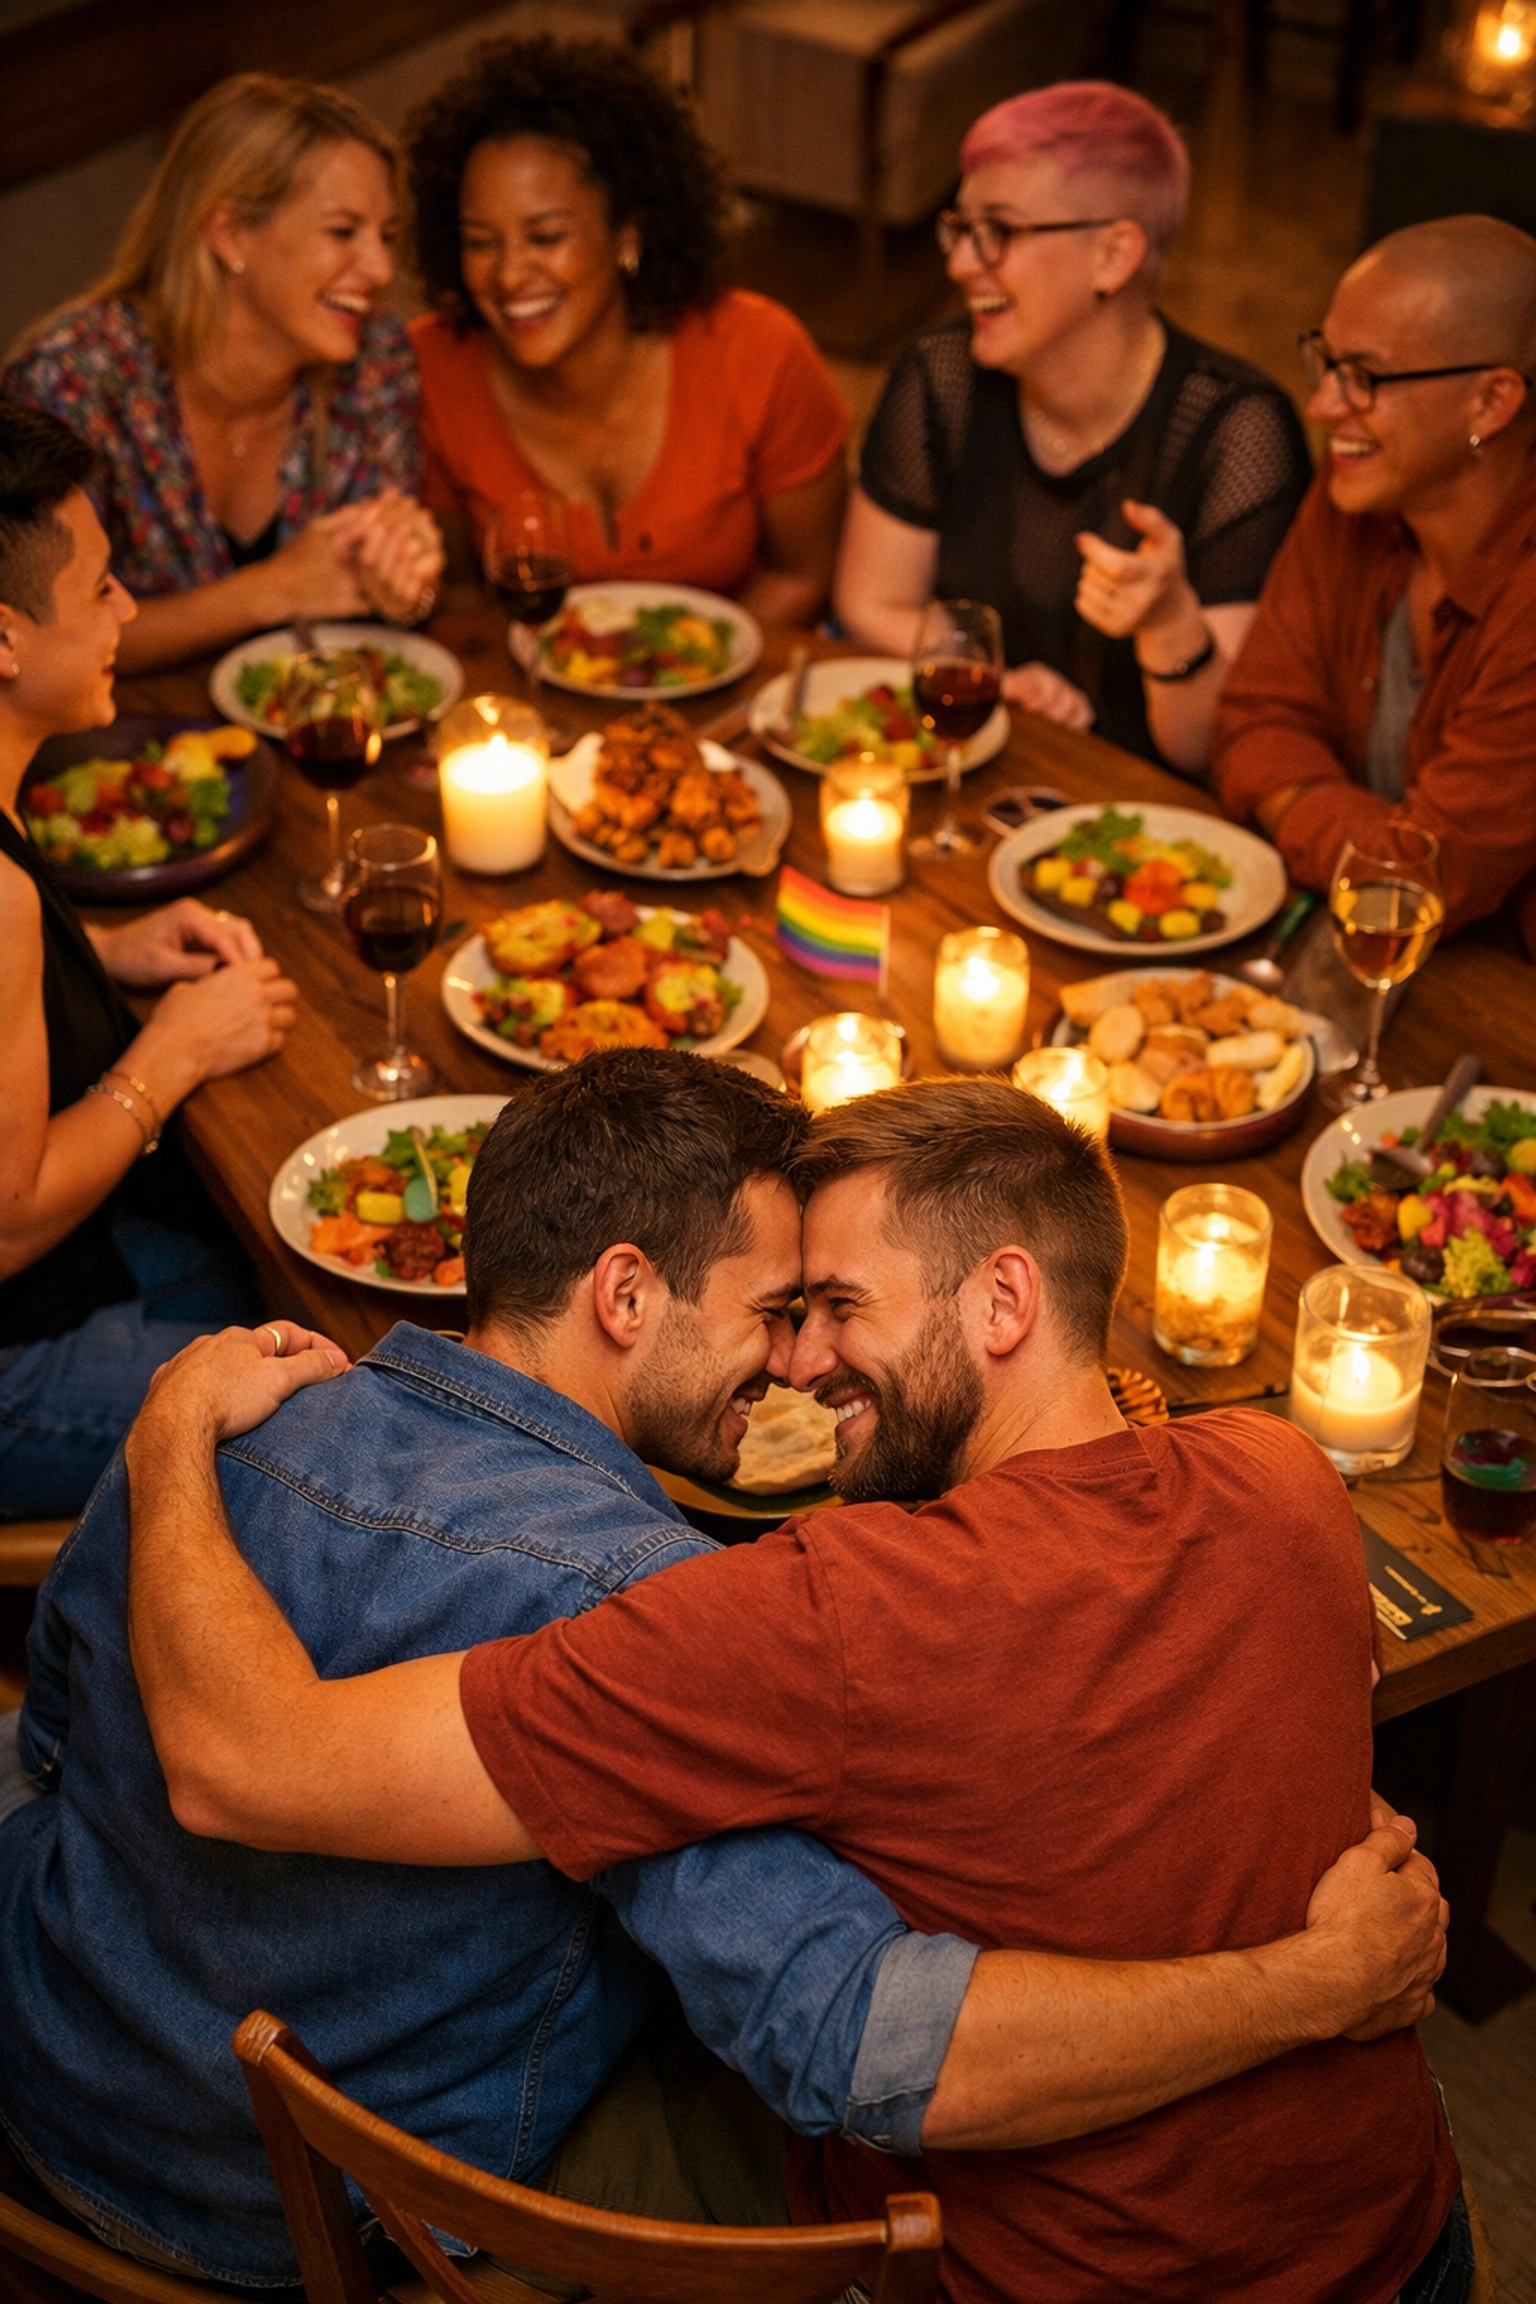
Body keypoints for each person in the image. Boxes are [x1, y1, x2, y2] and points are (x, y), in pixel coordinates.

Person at [0, 1053, 1441, 2282]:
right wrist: (1314, 1978)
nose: (798, 1367)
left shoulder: (216, 1413)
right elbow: (850, 2034)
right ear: (627, 1295)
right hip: (284, 2228)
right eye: (774, 1312)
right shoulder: (1278, 1470)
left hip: (34, 2067)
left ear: (1003, 1303)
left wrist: (164, 1424)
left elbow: (55, 1735)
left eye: (830, 1312)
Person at [0, 404, 296, 1517]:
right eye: (101, 589)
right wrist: (173, 1052)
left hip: (72, 1281)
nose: (127, 608)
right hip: (15, 1362)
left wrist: (105, 956)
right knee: (327, 1419)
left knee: (259, 1275)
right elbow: (9, 1216)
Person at [835, 82, 1310, 773]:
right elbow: (871, 599)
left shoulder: (1238, 430)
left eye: (998, 230)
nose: (961, 263)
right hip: (978, 772)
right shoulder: (942, 375)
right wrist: (992, 675)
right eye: (960, 228)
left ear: (1113, 256)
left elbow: (1211, 746)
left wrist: (1169, 626)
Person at [3, 73, 443, 673]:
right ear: (229, 233)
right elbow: (32, 644)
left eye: (386, 236)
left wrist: (406, 588)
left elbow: (391, 603)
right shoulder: (74, 382)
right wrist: (269, 591)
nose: (379, 266)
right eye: (343, 232)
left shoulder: (377, 356)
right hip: (124, 743)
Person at [406, 37, 848, 625]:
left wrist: (684, 674)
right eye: (480, 243)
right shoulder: (430, 369)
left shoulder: (761, 351)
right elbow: (460, 599)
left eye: (546, 237)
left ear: (627, 236)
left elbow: (803, 577)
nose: (509, 275)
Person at [1213, 214, 1536, 951]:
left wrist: (1299, 807)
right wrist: (1375, 844)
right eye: (1325, 364)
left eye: (1366, 378)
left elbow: (1418, 883)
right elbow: (1256, 721)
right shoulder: (1357, 489)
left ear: (1491, 402)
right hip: (1362, 955)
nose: (1324, 407)